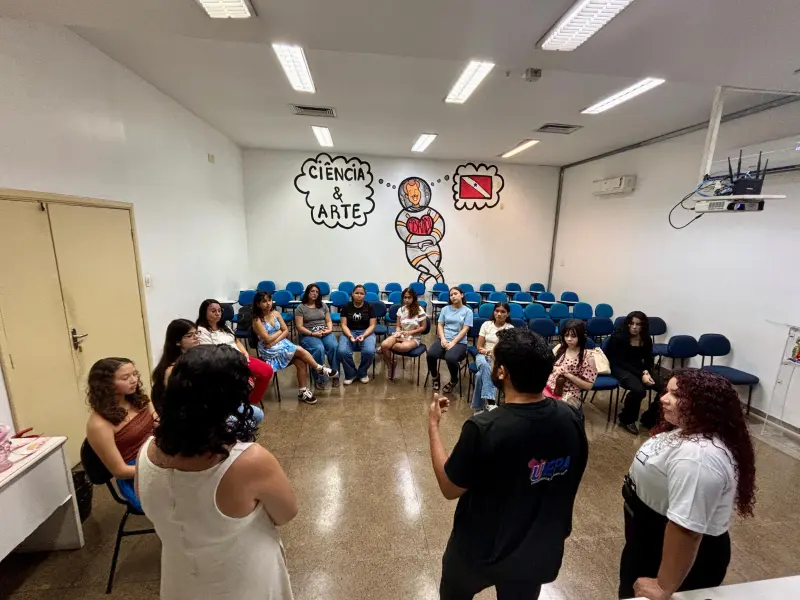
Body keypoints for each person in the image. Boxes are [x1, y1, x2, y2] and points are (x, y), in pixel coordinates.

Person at [428, 328, 588, 600]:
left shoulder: (484, 427)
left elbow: (449, 486)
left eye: (493, 361)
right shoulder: (571, 417)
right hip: (538, 549)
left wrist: (433, 425)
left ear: (502, 373)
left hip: (479, 551)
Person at [136, 345, 296, 600]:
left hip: (181, 580)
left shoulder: (146, 452)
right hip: (241, 579)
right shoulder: (248, 460)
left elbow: (151, 505)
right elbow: (286, 513)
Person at [620, 369, 756, 600]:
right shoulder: (686, 431)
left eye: (676, 395)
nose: (663, 398)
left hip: (672, 557)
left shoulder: (699, 457)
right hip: (648, 538)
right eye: (666, 391)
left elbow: (687, 527)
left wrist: (663, 585)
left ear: (703, 404)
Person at [152, 318, 264, 425]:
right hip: (194, 413)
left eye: (197, 333)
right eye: (190, 335)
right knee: (246, 422)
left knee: (258, 414)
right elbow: (187, 401)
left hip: (208, 403)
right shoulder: (173, 370)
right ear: (177, 342)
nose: (196, 337)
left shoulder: (196, 356)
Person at [86, 357, 155, 513]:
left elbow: (156, 420)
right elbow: (120, 471)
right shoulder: (99, 425)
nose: (134, 380)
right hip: (136, 475)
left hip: (155, 454)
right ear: (106, 385)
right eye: (125, 378)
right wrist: (161, 467)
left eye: (135, 374)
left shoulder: (138, 400)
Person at [252, 291, 335, 405]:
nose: (268, 304)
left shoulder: (276, 313)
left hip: (280, 343)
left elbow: (286, 331)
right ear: (258, 304)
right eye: (264, 301)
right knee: (299, 349)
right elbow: (267, 339)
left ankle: (302, 392)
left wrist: (275, 338)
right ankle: (319, 368)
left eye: (269, 300)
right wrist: (279, 332)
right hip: (269, 351)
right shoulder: (257, 320)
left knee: (301, 361)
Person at [196, 299, 274, 406]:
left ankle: (251, 401)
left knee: (267, 371)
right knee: (246, 381)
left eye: (219, 310)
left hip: (240, 358)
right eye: (213, 311)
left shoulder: (224, 326)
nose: (217, 313)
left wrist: (245, 353)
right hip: (225, 364)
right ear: (204, 312)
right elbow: (211, 353)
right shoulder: (202, 330)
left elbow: (236, 341)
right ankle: (239, 403)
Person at [606, 311, 664, 434]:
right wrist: (642, 374)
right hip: (619, 366)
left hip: (638, 367)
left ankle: (650, 418)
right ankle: (627, 420)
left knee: (664, 388)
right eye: (631, 323)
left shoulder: (646, 339)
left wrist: (646, 372)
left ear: (643, 326)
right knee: (639, 390)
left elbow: (648, 359)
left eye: (638, 324)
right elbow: (618, 360)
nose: (634, 327)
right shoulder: (618, 337)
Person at [543, 319, 597, 411]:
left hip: (570, 394)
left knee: (556, 412)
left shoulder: (588, 357)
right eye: (566, 335)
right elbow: (545, 367)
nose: (569, 339)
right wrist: (556, 368)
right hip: (548, 388)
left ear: (581, 336)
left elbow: (589, 386)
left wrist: (569, 375)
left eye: (573, 336)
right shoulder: (559, 348)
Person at [427, 287, 473, 393]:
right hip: (444, 339)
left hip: (459, 342)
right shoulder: (445, 309)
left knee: (450, 358)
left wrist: (453, 342)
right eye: (451, 295)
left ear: (462, 295)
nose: (453, 296)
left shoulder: (468, 311)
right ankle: (435, 376)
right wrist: (443, 339)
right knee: (431, 355)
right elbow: (440, 325)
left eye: (455, 294)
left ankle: (453, 380)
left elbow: (465, 329)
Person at [470, 302, 513, 414]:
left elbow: (507, 349)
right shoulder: (486, 325)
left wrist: (490, 352)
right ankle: (491, 402)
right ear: (493, 312)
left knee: (479, 375)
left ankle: (478, 408)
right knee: (485, 366)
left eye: (502, 312)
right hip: (482, 356)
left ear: (508, 314)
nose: (499, 314)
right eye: (497, 311)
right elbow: (479, 347)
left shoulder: (510, 328)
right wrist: (488, 353)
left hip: (499, 359)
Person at [295, 284, 339, 390]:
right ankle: (320, 378)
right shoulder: (300, 308)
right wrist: (312, 334)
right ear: (307, 293)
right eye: (312, 291)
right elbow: (299, 327)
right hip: (309, 334)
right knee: (319, 349)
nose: (315, 294)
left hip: (324, 332)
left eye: (317, 292)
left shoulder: (323, 305)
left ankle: (335, 375)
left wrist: (329, 330)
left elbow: (329, 321)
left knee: (333, 346)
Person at [379, 287, 428, 380]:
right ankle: (390, 366)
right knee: (384, 344)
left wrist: (409, 332)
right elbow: (398, 326)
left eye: (409, 297)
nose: (407, 300)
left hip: (414, 337)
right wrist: (398, 332)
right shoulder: (401, 310)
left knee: (401, 347)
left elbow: (423, 327)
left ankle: (383, 349)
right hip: (401, 335)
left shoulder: (420, 310)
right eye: (405, 297)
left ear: (413, 298)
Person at [337, 284, 377, 384]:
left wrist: (364, 335)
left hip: (366, 332)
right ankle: (351, 374)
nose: (359, 295)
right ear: (352, 294)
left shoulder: (370, 307)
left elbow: (372, 325)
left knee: (369, 351)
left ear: (365, 295)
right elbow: (343, 325)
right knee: (342, 351)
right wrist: (350, 335)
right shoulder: (346, 307)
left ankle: (362, 373)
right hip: (349, 331)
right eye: (357, 293)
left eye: (361, 293)